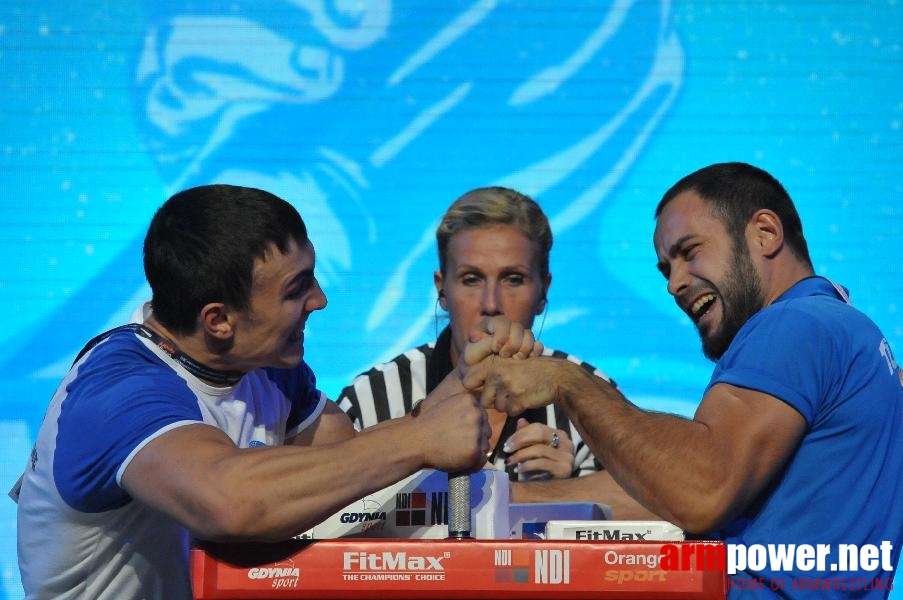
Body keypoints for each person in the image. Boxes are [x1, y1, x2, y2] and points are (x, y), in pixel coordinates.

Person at [9, 184, 523, 600]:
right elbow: (233, 503)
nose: (319, 301)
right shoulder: (120, 393)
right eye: (296, 289)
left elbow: (354, 472)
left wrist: (463, 381)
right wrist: (418, 437)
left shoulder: (267, 367)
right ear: (219, 320)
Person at [460, 163, 903, 595]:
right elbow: (673, 488)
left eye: (690, 252)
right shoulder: (849, 331)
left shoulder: (793, 324)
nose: (674, 284)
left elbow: (702, 491)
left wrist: (568, 382)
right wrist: (504, 498)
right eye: (666, 268)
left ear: (765, 233)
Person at [338, 186, 655, 518]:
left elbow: (660, 501)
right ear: (442, 289)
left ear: (543, 290)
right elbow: (323, 513)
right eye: (471, 279)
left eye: (513, 279)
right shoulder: (370, 397)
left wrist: (560, 489)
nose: (491, 304)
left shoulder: (591, 393)